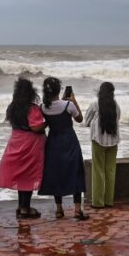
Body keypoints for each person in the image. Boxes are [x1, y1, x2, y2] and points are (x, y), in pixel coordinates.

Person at [0, 78, 47, 219]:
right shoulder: (32, 108)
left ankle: (21, 206)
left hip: (16, 142)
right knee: (29, 177)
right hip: (30, 145)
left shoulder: (12, 107)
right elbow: (36, 127)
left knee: (21, 177)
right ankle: (26, 208)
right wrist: (47, 122)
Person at [38, 77, 88, 220]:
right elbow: (80, 119)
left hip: (53, 142)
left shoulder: (43, 107)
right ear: (59, 90)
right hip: (69, 141)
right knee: (76, 172)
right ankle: (77, 210)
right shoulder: (68, 105)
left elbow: (45, 123)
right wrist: (73, 100)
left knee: (56, 173)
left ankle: (59, 209)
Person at [84, 81, 121, 209]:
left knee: (98, 170)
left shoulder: (95, 104)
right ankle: (109, 201)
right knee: (110, 171)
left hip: (98, 140)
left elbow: (86, 120)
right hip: (113, 141)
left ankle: (98, 202)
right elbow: (118, 118)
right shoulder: (115, 105)